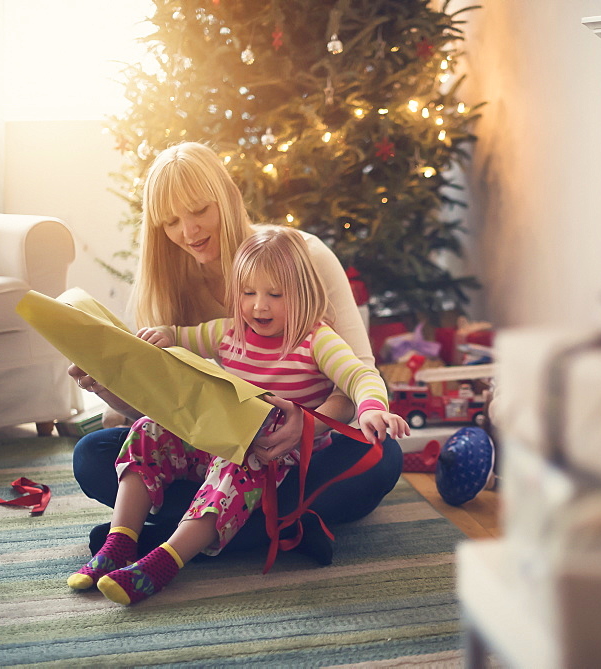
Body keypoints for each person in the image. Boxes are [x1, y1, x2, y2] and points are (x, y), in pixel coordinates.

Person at [69, 141, 403, 558]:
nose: (188, 231)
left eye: (199, 210)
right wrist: (105, 383)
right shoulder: (170, 288)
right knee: (93, 454)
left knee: (382, 456)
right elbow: (161, 410)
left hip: (294, 453)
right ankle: (276, 529)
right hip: (216, 455)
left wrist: (307, 426)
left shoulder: (302, 256)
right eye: (171, 221)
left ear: (227, 198)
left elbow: (357, 375)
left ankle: (168, 538)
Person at [68, 227, 411, 605]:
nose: (258, 307)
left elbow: (360, 375)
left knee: (254, 458)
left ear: (303, 294)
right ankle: (119, 543)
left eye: (275, 295)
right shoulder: (229, 332)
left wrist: (373, 408)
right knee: (146, 430)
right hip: (218, 443)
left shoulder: (318, 340)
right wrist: (161, 336)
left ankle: (164, 560)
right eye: (248, 293)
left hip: (273, 459)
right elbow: (182, 337)